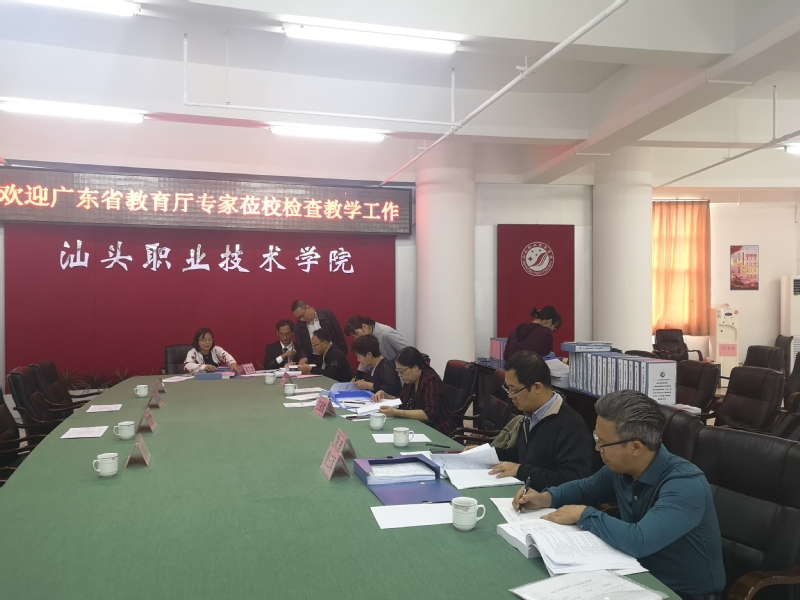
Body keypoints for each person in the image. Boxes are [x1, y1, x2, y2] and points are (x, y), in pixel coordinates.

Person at [513, 390, 725, 599]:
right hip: (633, 573)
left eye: (603, 442)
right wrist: (546, 497)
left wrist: (584, 514)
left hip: (681, 592)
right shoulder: (622, 468)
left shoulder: (684, 483)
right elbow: (586, 488)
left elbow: (639, 541)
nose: (597, 449)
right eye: (596, 438)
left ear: (635, 447)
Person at [488, 350, 595, 488]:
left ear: (537, 387)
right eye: (507, 389)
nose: (510, 396)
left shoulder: (571, 427)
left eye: (514, 390)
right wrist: (486, 454)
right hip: (525, 492)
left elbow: (571, 480)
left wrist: (520, 470)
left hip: (546, 498)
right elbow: (524, 455)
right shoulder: (531, 415)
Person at [370, 346, 458, 436]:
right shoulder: (411, 379)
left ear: (415, 367)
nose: (400, 375)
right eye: (398, 371)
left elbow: (428, 414)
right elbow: (402, 400)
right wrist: (385, 395)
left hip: (437, 431)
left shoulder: (430, 381)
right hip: (417, 426)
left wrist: (396, 412)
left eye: (402, 371)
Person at [291, 300, 347, 367]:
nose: (302, 319)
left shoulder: (327, 315)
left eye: (302, 315)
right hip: (314, 359)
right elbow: (300, 346)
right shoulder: (298, 326)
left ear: (308, 307)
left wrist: (342, 353)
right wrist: (304, 357)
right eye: (298, 318)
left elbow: (339, 335)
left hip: (333, 356)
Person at [344, 315, 410, 363]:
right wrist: (359, 374)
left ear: (364, 326)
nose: (356, 338)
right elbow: (365, 356)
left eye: (357, 333)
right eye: (354, 336)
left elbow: (408, 351)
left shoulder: (386, 333)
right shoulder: (366, 338)